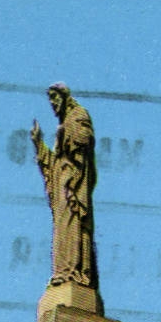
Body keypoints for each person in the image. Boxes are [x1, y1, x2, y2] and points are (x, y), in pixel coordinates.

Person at [29, 84, 98, 291]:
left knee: (73, 224)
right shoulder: (65, 124)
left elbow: (85, 139)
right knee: (61, 229)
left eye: (55, 97)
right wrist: (39, 144)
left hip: (73, 184)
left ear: (64, 97)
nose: (53, 103)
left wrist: (66, 132)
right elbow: (55, 163)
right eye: (50, 99)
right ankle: (63, 272)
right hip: (61, 181)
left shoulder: (78, 115)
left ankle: (73, 272)